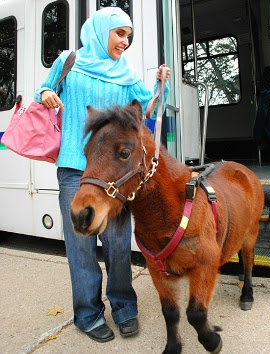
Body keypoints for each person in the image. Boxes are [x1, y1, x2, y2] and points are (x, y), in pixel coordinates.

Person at [34, 7, 170, 343]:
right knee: (80, 246)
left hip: (113, 175)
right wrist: (47, 94)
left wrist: (158, 84)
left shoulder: (126, 73)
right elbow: (43, 92)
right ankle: (87, 314)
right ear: (100, 30)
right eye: (119, 33)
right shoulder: (70, 60)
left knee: (118, 243)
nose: (125, 41)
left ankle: (124, 307)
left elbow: (146, 110)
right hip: (74, 169)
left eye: (128, 35)